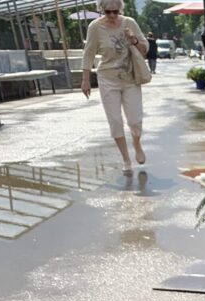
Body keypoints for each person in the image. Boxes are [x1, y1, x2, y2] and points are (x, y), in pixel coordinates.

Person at [81, 0, 149, 174]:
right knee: (115, 121)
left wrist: (132, 39)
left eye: (115, 12)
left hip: (130, 78)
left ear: (120, 10)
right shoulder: (95, 27)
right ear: (101, 10)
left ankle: (136, 142)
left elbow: (144, 49)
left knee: (135, 121)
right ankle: (126, 159)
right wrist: (86, 79)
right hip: (107, 78)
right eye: (107, 12)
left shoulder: (129, 22)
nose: (111, 15)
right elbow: (88, 53)